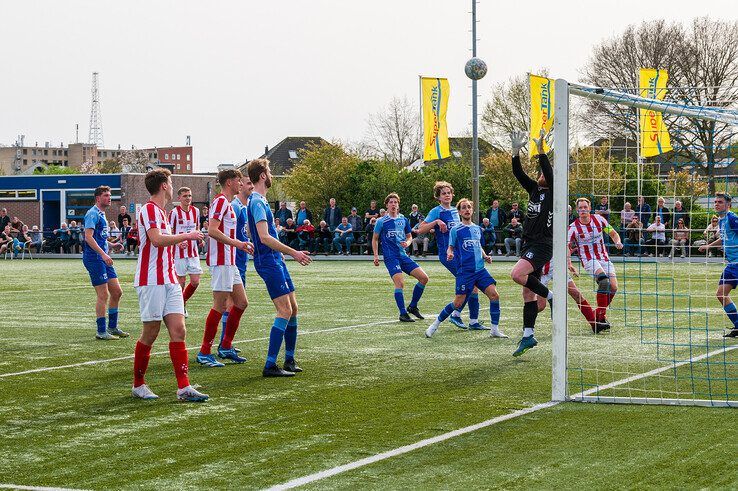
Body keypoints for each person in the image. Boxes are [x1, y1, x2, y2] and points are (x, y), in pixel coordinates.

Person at [131, 168, 208, 402]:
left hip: (170, 279)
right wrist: (187, 237)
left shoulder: (163, 213)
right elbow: (156, 240)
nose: (173, 187)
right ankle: (138, 384)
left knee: (179, 330)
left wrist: (178, 245)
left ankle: (184, 387)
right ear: (164, 185)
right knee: (151, 333)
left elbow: (162, 242)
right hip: (151, 280)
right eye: (171, 182)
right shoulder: (150, 210)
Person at [246, 158, 312, 376]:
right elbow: (264, 237)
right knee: (284, 310)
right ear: (263, 175)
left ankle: (289, 360)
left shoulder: (260, 201)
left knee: (293, 308)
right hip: (269, 261)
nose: (272, 175)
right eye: (270, 171)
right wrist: (293, 252)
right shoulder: (256, 202)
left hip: (276, 260)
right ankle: (270, 365)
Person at [425, 199, 505, 339]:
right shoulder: (456, 230)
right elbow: (450, 247)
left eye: (469, 207)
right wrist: (449, 253)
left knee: (494, 295)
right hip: (465, 272)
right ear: (460, 212)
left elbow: (478, 246)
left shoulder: (477, 229)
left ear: (472, 210)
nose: (467, 210)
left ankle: (494, 330)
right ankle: (434, 325)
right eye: (464, 208)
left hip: (480, 270)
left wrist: (485, 256)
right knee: (458, 302)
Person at [197, 169, 253, 367]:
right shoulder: (221, 201)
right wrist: (238, 243)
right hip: (222, 261)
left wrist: (240, 244)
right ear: (229, 182)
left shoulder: (227, 204)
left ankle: (226, 346)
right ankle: (205, 352)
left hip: (229, 261)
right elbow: (212, 230)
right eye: (239, 180)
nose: (241, 184)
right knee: (219, 306)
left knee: (241, 302)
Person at [509, 129, 554, 357]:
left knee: (516, 275)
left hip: (542, 245)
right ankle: (528, 335)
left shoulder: (555, 191)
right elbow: (518, 174)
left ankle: (552, 296)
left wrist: (540, 150)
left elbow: (548, 171)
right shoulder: (535, 190)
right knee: (528, 294)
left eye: (543, 173)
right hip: (528, 244)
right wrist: (516, 152)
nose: (540, 175)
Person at [418, 181, 482, 329]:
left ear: (452, 195)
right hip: (448, 255)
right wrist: (436, 222)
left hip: (462, 255)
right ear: (438, 197)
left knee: (472, 286)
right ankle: (457, 315)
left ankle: (471, 321)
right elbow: (420, 229)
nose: (447, 195)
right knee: (470, 285)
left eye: (449, 193)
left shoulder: (456, 211)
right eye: (443, 193)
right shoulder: (436, 211)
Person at [568, 197, 623, 332]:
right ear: (576, 210)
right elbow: (567, 246)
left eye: (585, 207)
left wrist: (617, 242)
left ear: (589, 208)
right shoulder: (573, 228)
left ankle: (598, 315)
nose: (582, 210)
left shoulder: (600, 220)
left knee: (614, 288)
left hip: (603, 258)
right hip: (588, 259)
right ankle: (600, 317)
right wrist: (569, 262)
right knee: (604, 282)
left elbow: (613, 233)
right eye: (580, 208)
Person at [374, 192, 429, 323]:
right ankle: (403, 313)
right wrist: (376, 255)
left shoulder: (403, 220)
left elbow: (409, 236)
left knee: (424, 278)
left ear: (398, 205)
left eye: (395, 202)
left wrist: (408, 243)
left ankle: (413, 306)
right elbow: (375, 239)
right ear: (387, 205)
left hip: (403, 256)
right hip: (390, 257)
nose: (393, 204)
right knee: (400, 283)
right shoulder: (381, 221)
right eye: (391, 202)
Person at [83, 186, 127, 340]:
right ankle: (101, 331)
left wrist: (111, 245)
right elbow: (88, 237)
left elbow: (99, 238)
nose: (110, 198)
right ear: (98, 198)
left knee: (117, 292)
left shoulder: (102, 214)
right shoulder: (92, 214)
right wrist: (102, 254)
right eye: (106, 195)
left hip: (102, 257)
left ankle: (113, 327)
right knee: (103, 294)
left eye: (110, 195)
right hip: (94, 258)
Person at [698, 193, 738, 338]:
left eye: (720, 202)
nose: (716, 204)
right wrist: (709, 246)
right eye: (715, 202)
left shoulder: (732, 218)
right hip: (732, 265)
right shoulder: (721, 221)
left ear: (728, 205)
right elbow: (724, 238)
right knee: (721, 294)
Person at [225, 175, 254, 351]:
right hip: (233, 261)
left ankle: (225, 343)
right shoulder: (234, 206)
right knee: (231, 303)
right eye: (248, 183)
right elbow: (228, 235)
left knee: (234, 304)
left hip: (241, 260)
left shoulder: (243, 207)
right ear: (240, 185)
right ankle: (224, 344)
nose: (251, 186)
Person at [537, 260, 599, 333]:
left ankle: (595, 325)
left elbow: (567, 248)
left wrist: (569, 264)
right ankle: (528, 326)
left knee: (576, 294)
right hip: (539, 271)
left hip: (557, 267)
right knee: (540, 306)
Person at [170, 187, 203, 314]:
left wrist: (200, 238)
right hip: (179, 253)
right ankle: (179, 307)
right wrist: (177, 242)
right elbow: (170, 231)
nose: (188, 198)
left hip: (193, 252)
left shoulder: (196, 211)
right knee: (181, 281)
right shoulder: (174, 213)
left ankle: (182, 301)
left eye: (189, 195)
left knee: (195, 281)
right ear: (179, 198)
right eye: (185, 196)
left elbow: (197, 228)